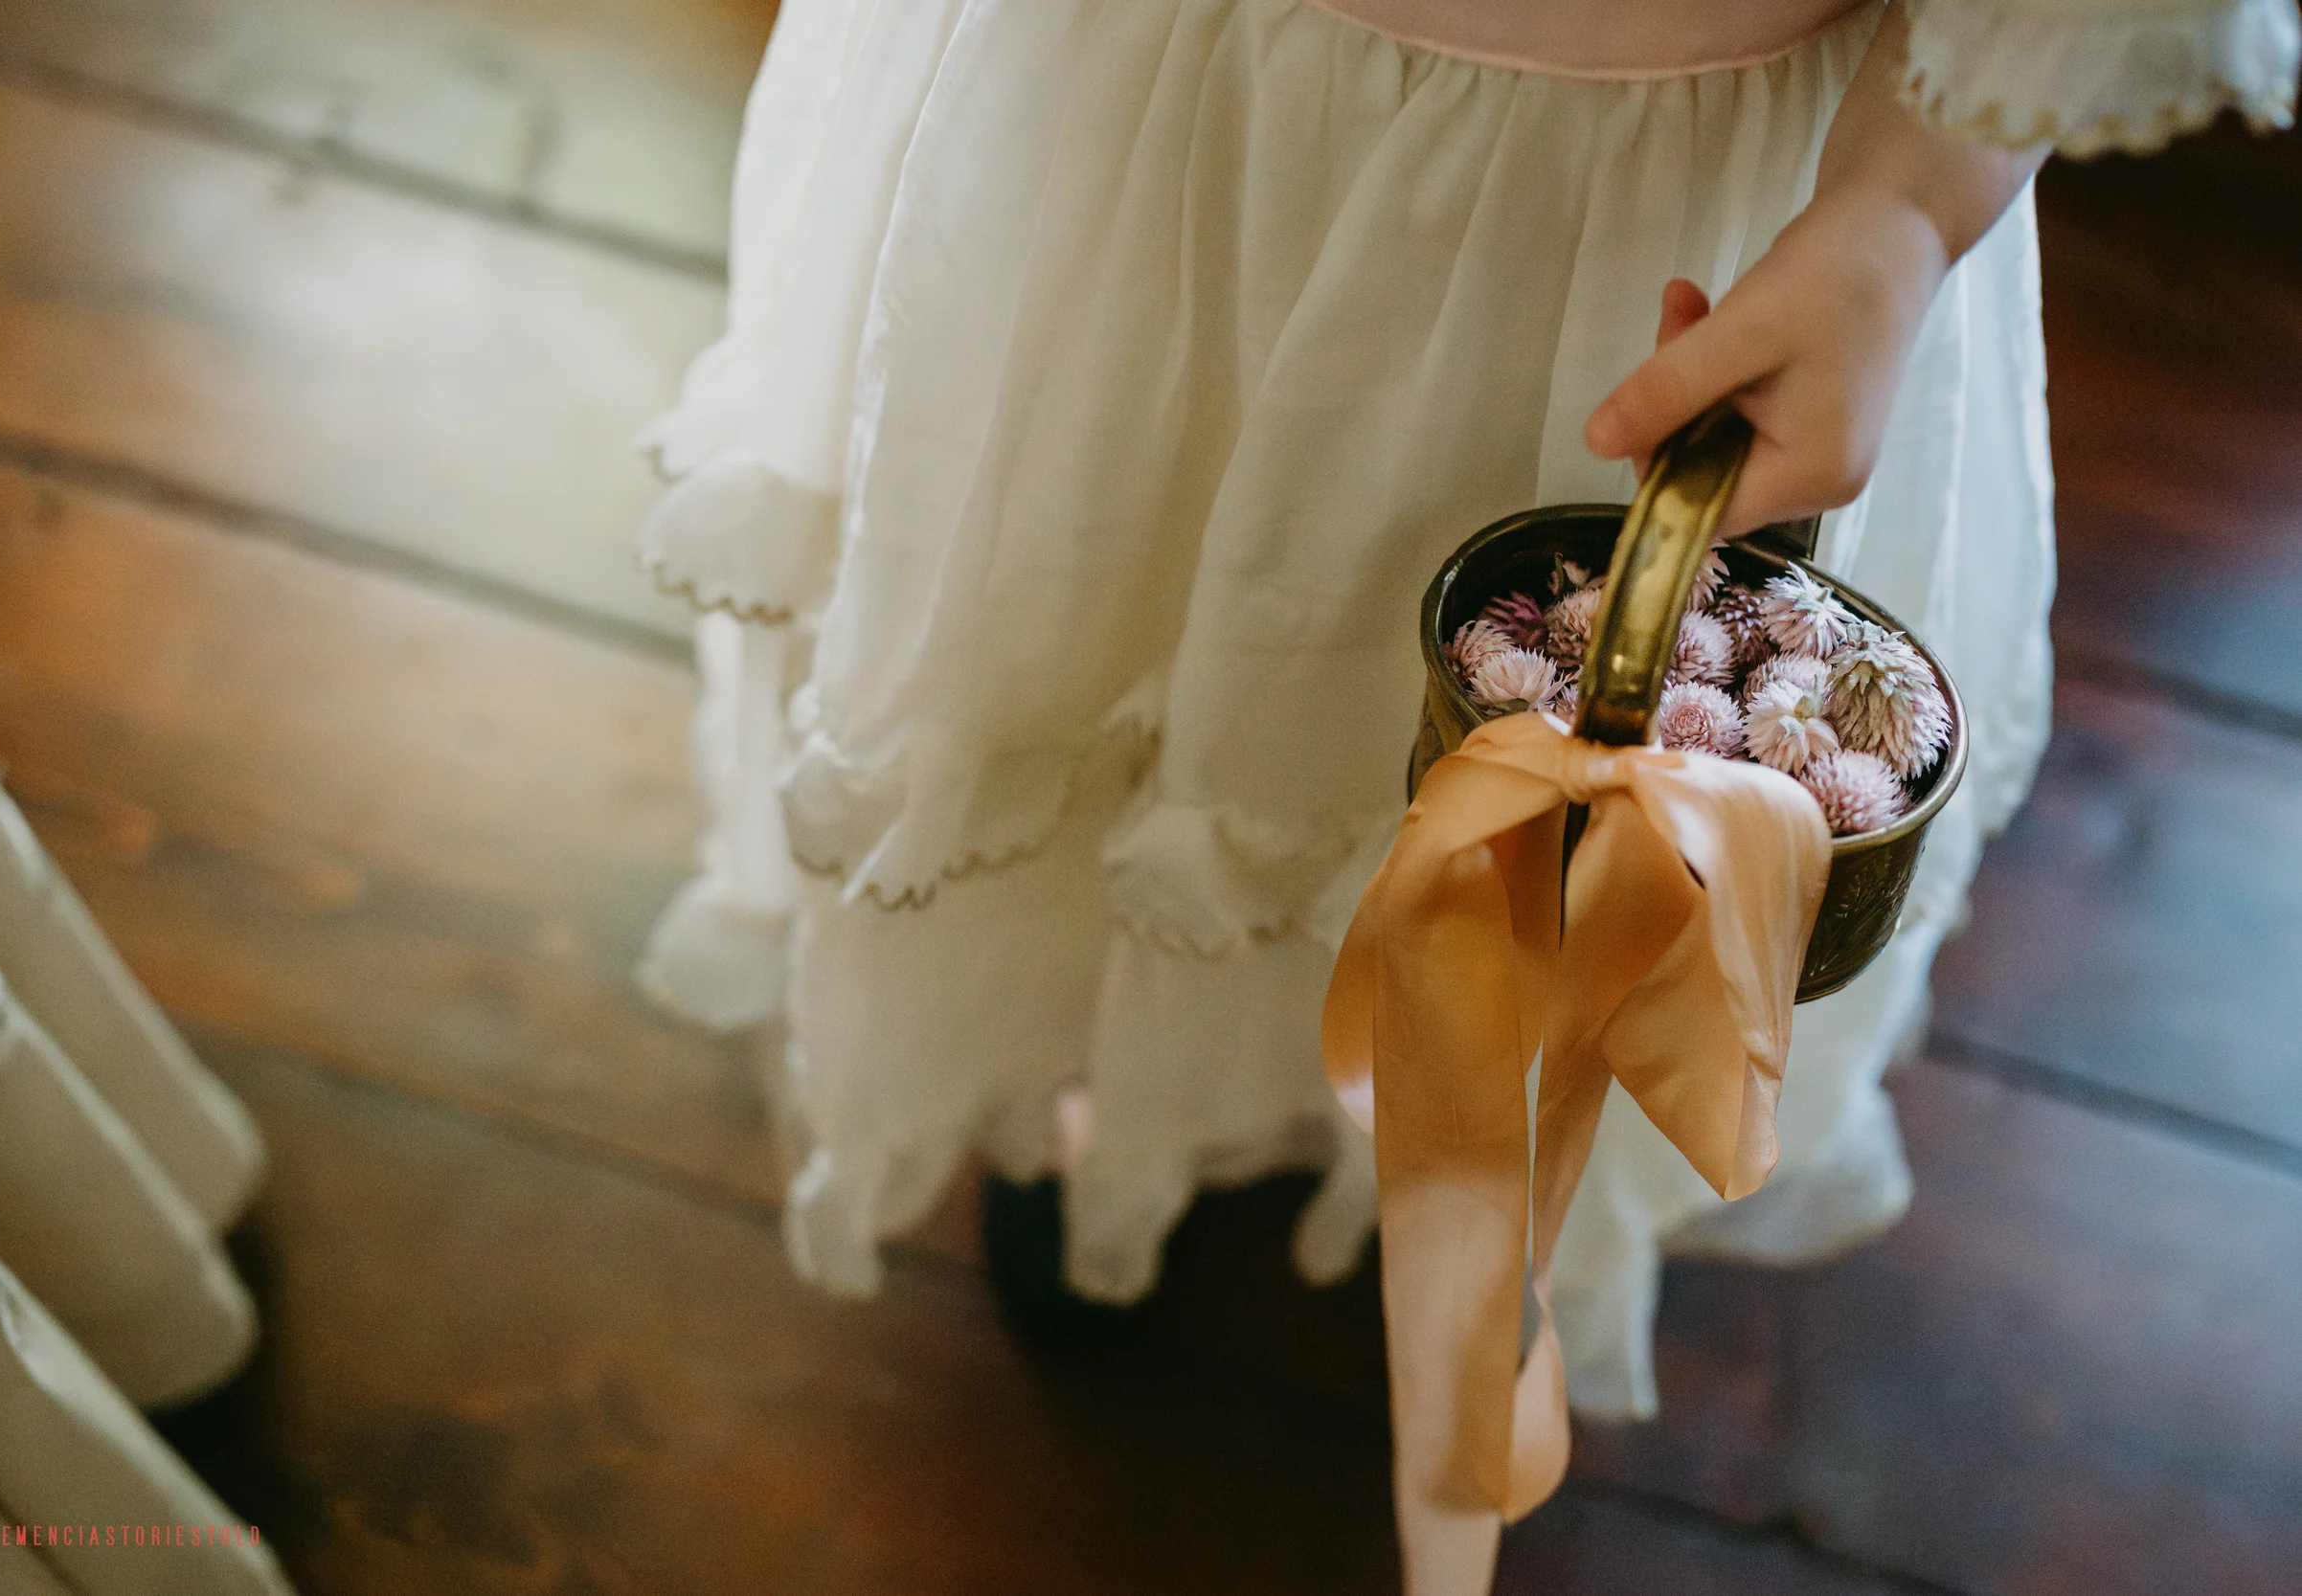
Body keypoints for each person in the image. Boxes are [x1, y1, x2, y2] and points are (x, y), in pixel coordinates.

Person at [635, 0, 2295, 1585]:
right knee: (1104, 613)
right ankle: (1105, 1068)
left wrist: (1905, 204)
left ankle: (1469, 1134)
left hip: (1699, 205)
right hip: (1151, 118)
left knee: (1538, 798)